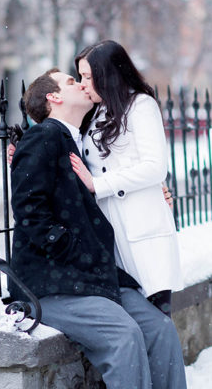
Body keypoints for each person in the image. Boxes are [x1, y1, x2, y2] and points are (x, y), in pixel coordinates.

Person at [9, 68, 199, 389]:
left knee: (158, 328)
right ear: (54, 99)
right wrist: (71, 252)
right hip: (54, 285)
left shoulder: (79, 142)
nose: (81, 85)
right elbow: (29, 210)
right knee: (124, 336)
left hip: (96, 279)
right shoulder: (43, 138)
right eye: (71, 82)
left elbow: (128, 175)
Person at [71, 40, 182, 316]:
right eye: (80, 76)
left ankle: (164, 362)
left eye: (87, 76)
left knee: (156, 318)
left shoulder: (140, 106)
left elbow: (155, 167)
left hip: (142, 229)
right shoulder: (94, 112)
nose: (82, 83)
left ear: (106, 75)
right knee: (128, 317)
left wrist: (98, 185)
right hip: (109, 231)